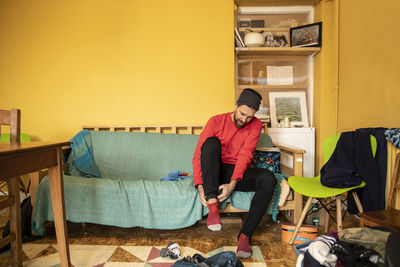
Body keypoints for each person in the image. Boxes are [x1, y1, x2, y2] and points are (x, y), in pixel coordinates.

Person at [192, 88, 277, 259]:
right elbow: (199, 155)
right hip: (213, 170)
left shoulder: (255, 125)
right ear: (236, 105)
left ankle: (245, 235)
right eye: (242, 113)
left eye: (249, 117)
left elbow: (245, 155)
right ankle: (213, 205)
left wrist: (233, 184)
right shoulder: (216, 121)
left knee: (269, 179)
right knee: (210, 143)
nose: (244, 119)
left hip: (235, 172)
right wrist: (200, 185)